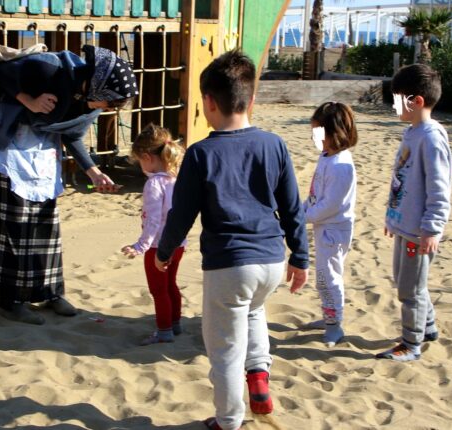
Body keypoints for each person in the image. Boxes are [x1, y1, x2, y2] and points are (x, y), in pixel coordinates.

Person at [154, 51, 309, 430]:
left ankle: (228, 420)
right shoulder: (274, 144)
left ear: (208, 102)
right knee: (254, 312)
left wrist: (164, 250)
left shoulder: (201, 153)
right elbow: (292, 206)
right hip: (272, 261)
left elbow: (181, 214)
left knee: (223, 350)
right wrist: (300, 257)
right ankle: (258, 377)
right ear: (251, 100)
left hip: (229, 265)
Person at [0, 45, 139, 325]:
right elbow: (2, 71)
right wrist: (28, 99)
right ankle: (10, 301)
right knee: (15, 230)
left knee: (46, 227)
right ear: (99, 87)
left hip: (42, 157)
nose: (108, 109)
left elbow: (72, 135)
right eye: (109, 103)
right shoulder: (51, 68)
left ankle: (50, 293)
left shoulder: (89, 99)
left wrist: (93, 172)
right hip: (11, 151)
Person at [377, 64, 452, 361]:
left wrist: (432, 228)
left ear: (417, 101)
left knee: (411, 289)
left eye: (398, 100)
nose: (394, 106)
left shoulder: (431, 137)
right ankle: (428, 327)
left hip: (419, 231)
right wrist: (391, 216)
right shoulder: (412, 132)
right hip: (403, 225)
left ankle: (411, 344)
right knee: (406, 281)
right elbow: (401, 179)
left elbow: (439, 187)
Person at [121, 124, 186, 345]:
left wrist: (141, 246)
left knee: (159, 290)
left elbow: (153, 219)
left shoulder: (154, 184)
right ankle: (175, 323)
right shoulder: (177, 179)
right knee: (171, 285)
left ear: (147, 157)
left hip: (158, 246)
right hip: (178, 244)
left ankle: (165, 330)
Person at [302, 102, 357, 347]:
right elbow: (316, 195)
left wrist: (303, 217)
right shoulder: (326, 158)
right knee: (322, 276)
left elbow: (330, 205)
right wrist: (301, 209)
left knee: (330, 277)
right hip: (323, 227)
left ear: (334, 133)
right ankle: (328, 317)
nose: (315, 138)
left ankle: (335, 325)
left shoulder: (341, 166)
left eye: (319, 132)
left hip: (334, 230)